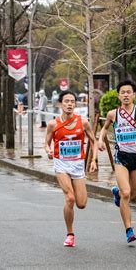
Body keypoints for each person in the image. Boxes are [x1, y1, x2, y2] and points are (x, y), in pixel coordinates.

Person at [98, 80, 136, 244]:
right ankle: (129, 230)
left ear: (134, 95)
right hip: (121, 157)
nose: (125, 95)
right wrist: (100, 140)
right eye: (122, 92)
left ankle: (116, 192)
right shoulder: (113, 114)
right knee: (126, 193)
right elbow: (104, 128)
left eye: (128, 92)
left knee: (134, 196)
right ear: (118, 95)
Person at [45, 90, 98, 247]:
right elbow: (46, 143)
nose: (69, 104)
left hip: (77, 165)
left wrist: (93, 160)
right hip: (61, 165)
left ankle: (70, 229)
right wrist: (48, 151)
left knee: (81, 203)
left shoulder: (84, 122)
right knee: (70, 198)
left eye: (72, 101)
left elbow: (94, 142)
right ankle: (70, 234)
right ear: (60, 104)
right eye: (66, 101)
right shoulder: (53, 124)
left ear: (75, 104)